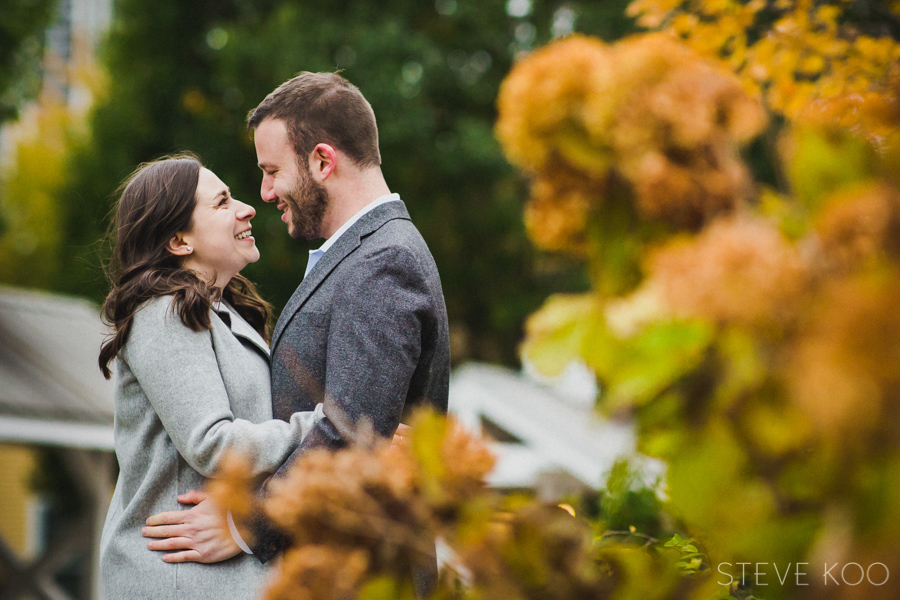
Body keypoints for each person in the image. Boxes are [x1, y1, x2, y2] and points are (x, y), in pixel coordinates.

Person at [142, 72, 451, 594]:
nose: (263, 194)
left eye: (271, 171)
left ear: (322, 162)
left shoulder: (383, 261)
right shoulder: (359, 255)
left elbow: (353, 433)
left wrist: (246, 524)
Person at [97, 155, 330, 599]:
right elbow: (213, 443)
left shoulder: (222, 313)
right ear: (180, 241)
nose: (247, 208)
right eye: (223, 203)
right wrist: (321, 429)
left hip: (216, 574)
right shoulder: (164, 312)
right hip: (178, 577)